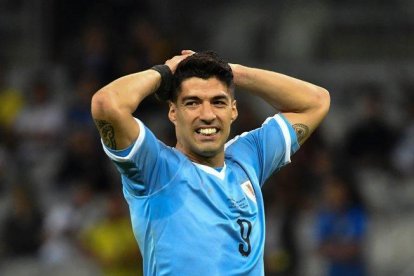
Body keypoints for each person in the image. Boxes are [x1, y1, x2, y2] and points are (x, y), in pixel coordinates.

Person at [91, 50, 330, 275]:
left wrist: (234, 72)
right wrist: (164, 71)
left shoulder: (248, 158)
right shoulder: (155, 168)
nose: (207, 114)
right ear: (173, 112)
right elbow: (106, 104)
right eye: (192, 102)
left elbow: (316, 100)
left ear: (233, 110)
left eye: (218, 102)